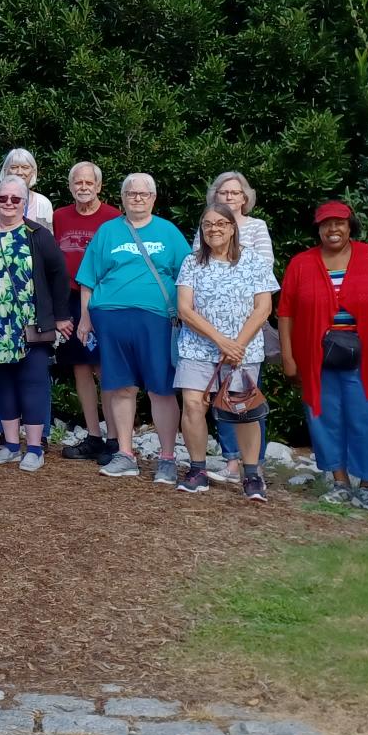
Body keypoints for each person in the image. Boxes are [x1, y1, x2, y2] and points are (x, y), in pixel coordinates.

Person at [278, 201, 368, 510]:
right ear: (317, 228)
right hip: (316, 357)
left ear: (350, 225)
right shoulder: (301, 263)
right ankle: (340, 481)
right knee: (323, 416)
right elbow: (286, 312)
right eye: (326, 224)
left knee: (366, 417)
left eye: (339, 223)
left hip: (364, 355)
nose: (333, 229)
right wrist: (288, 357)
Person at [76, 174, 190, 483]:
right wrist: (85, 318)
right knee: (120, 386)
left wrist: (186, 313)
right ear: (123, 198)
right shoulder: (108, 231)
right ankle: (125, 453)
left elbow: (189, 275)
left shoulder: (168, 232)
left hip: (156, 320)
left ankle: (167, 458)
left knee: (161, 388)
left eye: (143, 193)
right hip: (111, 318)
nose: (137, 198)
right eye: (131, 193)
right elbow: (89, 278)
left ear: (153, 198)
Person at [0, 177, 74, 470]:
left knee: (33, 382)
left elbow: (60, 274)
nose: (8, 203)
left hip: (30, 324)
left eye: (15, 199)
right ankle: (10, 444)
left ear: (24, 203)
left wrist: (61, 316)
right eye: (3, 198)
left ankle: (34, 448)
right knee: (2, 382)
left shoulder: (38, 235)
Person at [174, 204, 278, 498]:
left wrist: (237, 345)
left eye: (221, 224)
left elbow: (263, 308)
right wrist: (221, 341)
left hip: (243, 350)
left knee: (244, 410)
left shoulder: (254, 262)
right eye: (207, 225)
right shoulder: (192, 263)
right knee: (193, 405)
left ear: (233, 227)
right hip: (198, 347)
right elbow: (184, 308)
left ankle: (251, 475)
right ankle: (197, 469)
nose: (214, 229)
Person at [205, 171, 272, 480]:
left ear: (246, 197)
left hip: (247, 324)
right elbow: (199, 266)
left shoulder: (257, 227)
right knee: (221, 394)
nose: (229, 197)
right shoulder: (205, 225)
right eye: (223, 192)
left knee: (245, 395)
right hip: (210, 328)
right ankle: (231, 460)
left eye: (235, 192)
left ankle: (253, 463)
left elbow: (263, 273)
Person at [53, 161, 120, 461]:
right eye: (77, 183)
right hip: (69, 298)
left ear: (98, 187)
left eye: (88, 183)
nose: (83, 188)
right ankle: (93, 434)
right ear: (70, 187)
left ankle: (115, 438)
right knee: (80, 367)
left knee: (106, 369)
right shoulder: (59, 216)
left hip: (104, 299)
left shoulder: (113, 218)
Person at [0, 147, 54, 225]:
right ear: (5, 171)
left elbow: (48, 236)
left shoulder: (43, 203)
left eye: (25, 168)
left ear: (33, 172)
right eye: (14, 167)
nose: (19, 172)